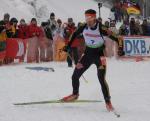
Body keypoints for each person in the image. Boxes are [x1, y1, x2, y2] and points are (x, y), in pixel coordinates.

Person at [61, 9, 124, 111]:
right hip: (87, 55)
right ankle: (75, 94)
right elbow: (74, 34)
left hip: (100, 56)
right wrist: (67, 46)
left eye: (89, 18)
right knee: (75, 75)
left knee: (101, 78)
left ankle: (108, 102)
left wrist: (121, 48)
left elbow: (118, 38)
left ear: (94, 18)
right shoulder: (83, 26)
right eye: (86, 18)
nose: (87, 21)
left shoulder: (101, 27)